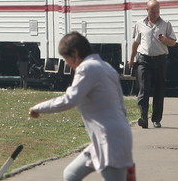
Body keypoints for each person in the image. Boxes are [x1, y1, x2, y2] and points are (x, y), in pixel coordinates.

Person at [29, 32, 134, 181]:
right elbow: (121, 105)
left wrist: (38, 108)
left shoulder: (87, 68)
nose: (66, 63)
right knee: (71, 174)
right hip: (110, 136)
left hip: (110, 140)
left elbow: (70, 100)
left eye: (66, 58)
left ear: (75, 53)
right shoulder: (106, 67)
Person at [129, 0, 177, 129]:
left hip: (160, 60)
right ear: (147, 11)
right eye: (153, 12)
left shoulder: (166, 24)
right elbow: (136, 43)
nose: (156, 14)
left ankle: (156, 119)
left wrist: (165, 39)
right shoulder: (139, 24)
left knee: (159, 90)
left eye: (157, 11)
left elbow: (173, 42)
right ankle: (143, 117)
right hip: (144, 59)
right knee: (144, 89)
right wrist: (131, 58)